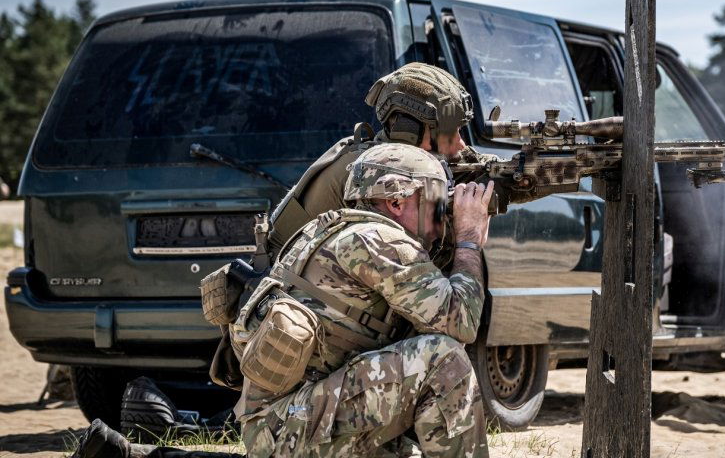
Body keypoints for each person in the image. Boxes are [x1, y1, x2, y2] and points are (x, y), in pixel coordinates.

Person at [72, 144, 493, 457]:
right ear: (397, 199)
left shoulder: (322, 235)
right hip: (295, 426)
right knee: (441, 358)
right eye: (436, 202)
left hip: (279, 426)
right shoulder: (378, 241)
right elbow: (460, 323)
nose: (443, 218)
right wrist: (470, 239)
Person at [267, 61, 486, 255]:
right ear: (407, 129)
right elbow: (426, 248)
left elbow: (468, 164)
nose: (460, 144)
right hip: (296, 290)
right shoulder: (371, 170)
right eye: (447, 132)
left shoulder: (389, 157)